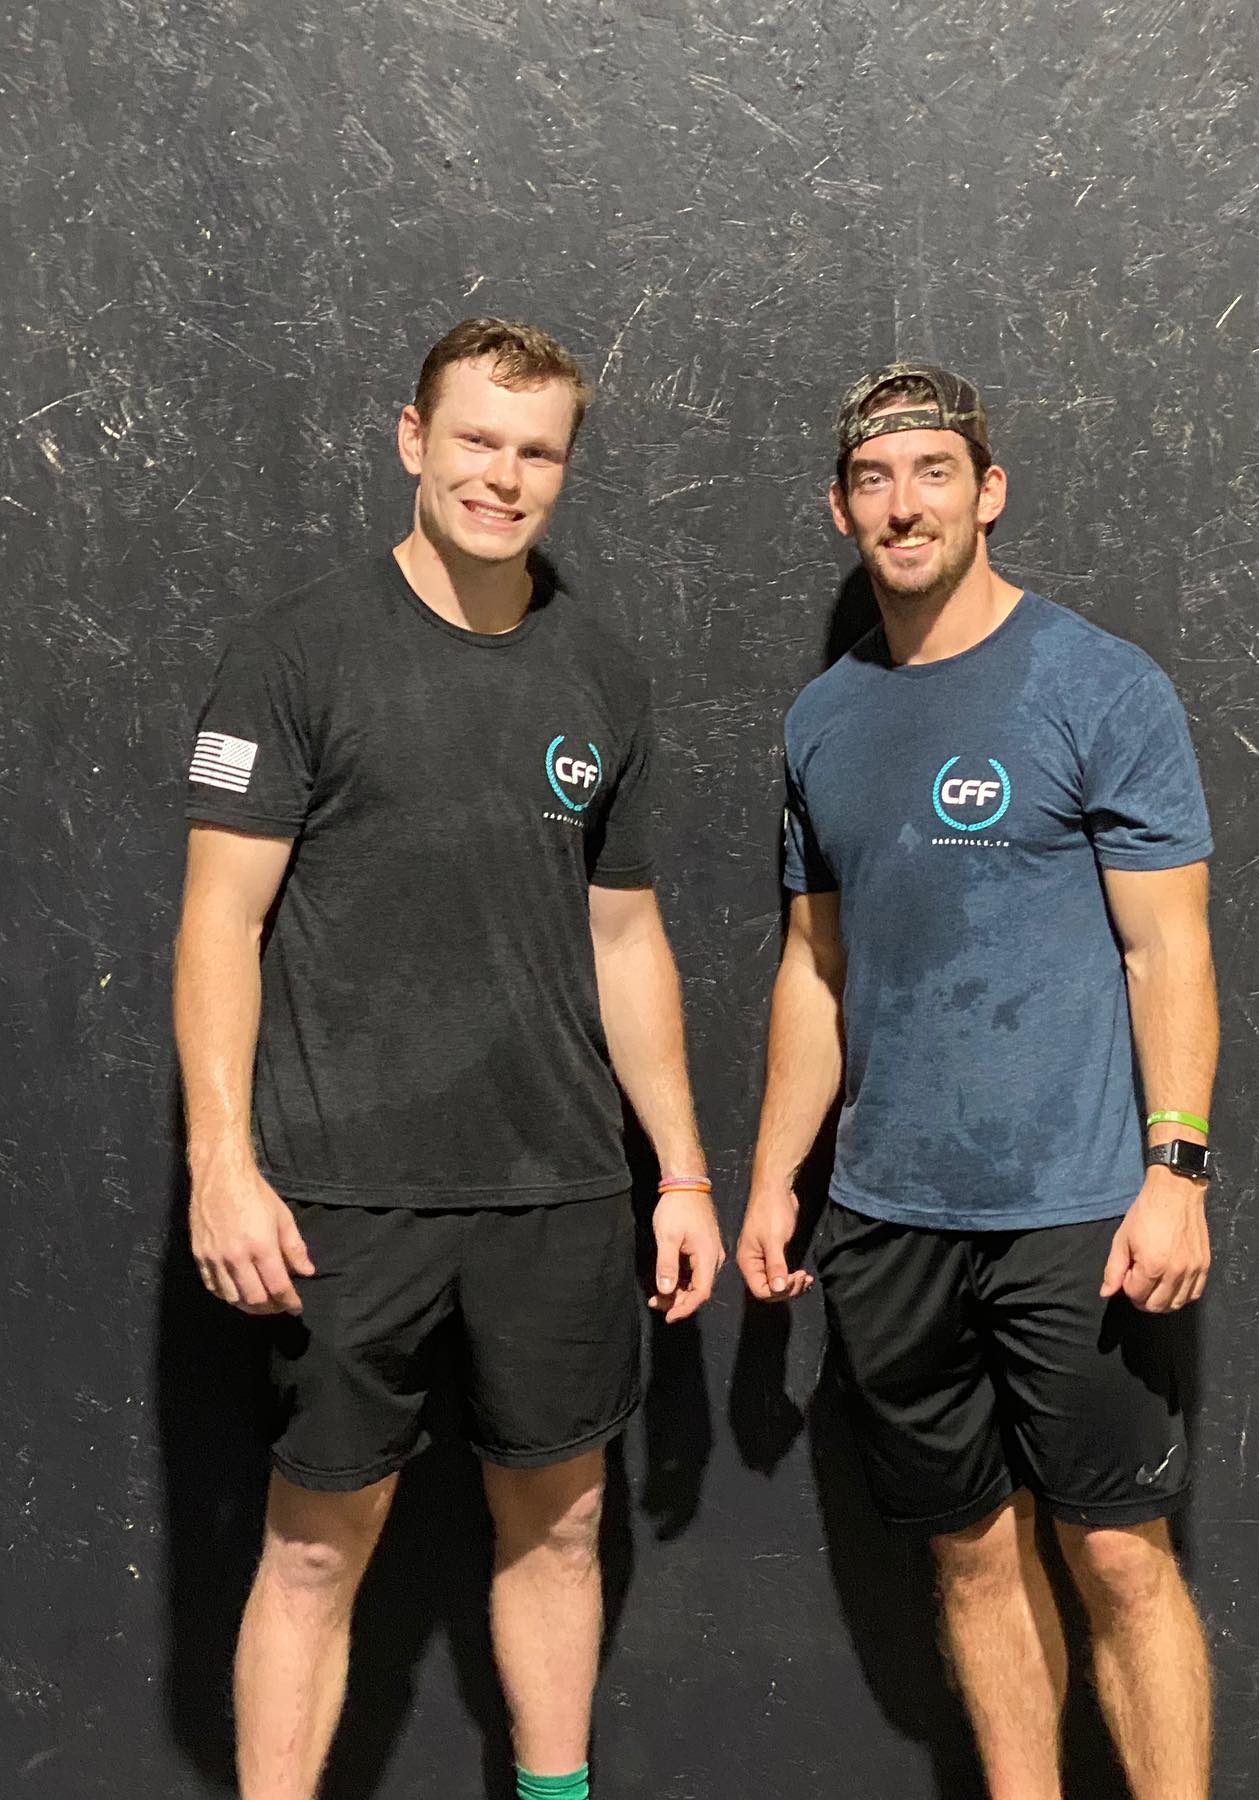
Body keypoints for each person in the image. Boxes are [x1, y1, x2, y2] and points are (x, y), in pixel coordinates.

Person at [173, 317, 724, 1800]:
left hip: (557, 1191)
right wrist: (221, 1163)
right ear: (413, 440)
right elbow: (220, 921)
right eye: (477, 439)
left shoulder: (601, 670)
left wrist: (680, 1171)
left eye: (538, 451)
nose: (504, 475)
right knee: (312, 1546)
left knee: (561, 1522)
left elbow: (626, 940)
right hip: (342, 1196)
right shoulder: (296, 652)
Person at [738, 363, 1219, 1799]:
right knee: (969, 1554)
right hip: (888, 1221)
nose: (906, 505)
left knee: (1120, 1557)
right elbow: (814, 967)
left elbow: (1168, 949)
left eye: (935, 472)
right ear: (841, 508)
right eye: (875, 480)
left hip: (1079, 1216)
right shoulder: (822, 719)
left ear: (988, 491)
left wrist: (1177, 1170)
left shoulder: (1100, 685)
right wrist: (773, 1177)